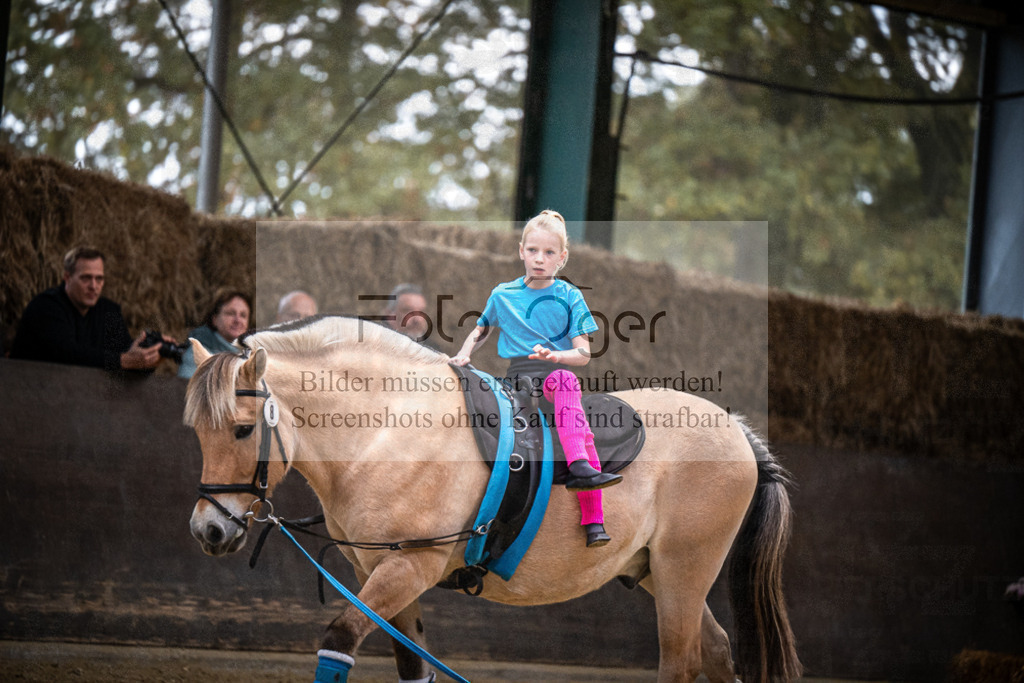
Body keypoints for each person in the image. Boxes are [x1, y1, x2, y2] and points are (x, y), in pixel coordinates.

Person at [451, 210, 621, 548]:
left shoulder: (570, 297)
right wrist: (464, 353)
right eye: (532, 251)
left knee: (577, 414)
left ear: (562, 257)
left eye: (548, 253)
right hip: (515, 378)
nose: (539, 259)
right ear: (521, 251)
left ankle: (590, 507)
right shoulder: (502, 294)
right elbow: (482, 328)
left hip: (555, 376)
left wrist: (556, 356)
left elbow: (584, 355)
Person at [10, 246, 174, 371]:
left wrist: (150, 355)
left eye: (99, 279)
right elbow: (67, 354)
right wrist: (124, 360)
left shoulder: (108, 311)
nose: (93, 286)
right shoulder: (46, 307)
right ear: (67, 277)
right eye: (86, 278)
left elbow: (124, 357)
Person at [178, 287, 253, 379]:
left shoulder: (253, 359)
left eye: (243, 315)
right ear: (215, 319)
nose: (237, 320)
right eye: (230, 313)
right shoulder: (196, 355)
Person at [383, 283, 437, 349]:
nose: (417, 320)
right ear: (389, 314)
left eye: (421, 312)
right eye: (408, 311)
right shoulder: (375, 346)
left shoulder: (434, 350)